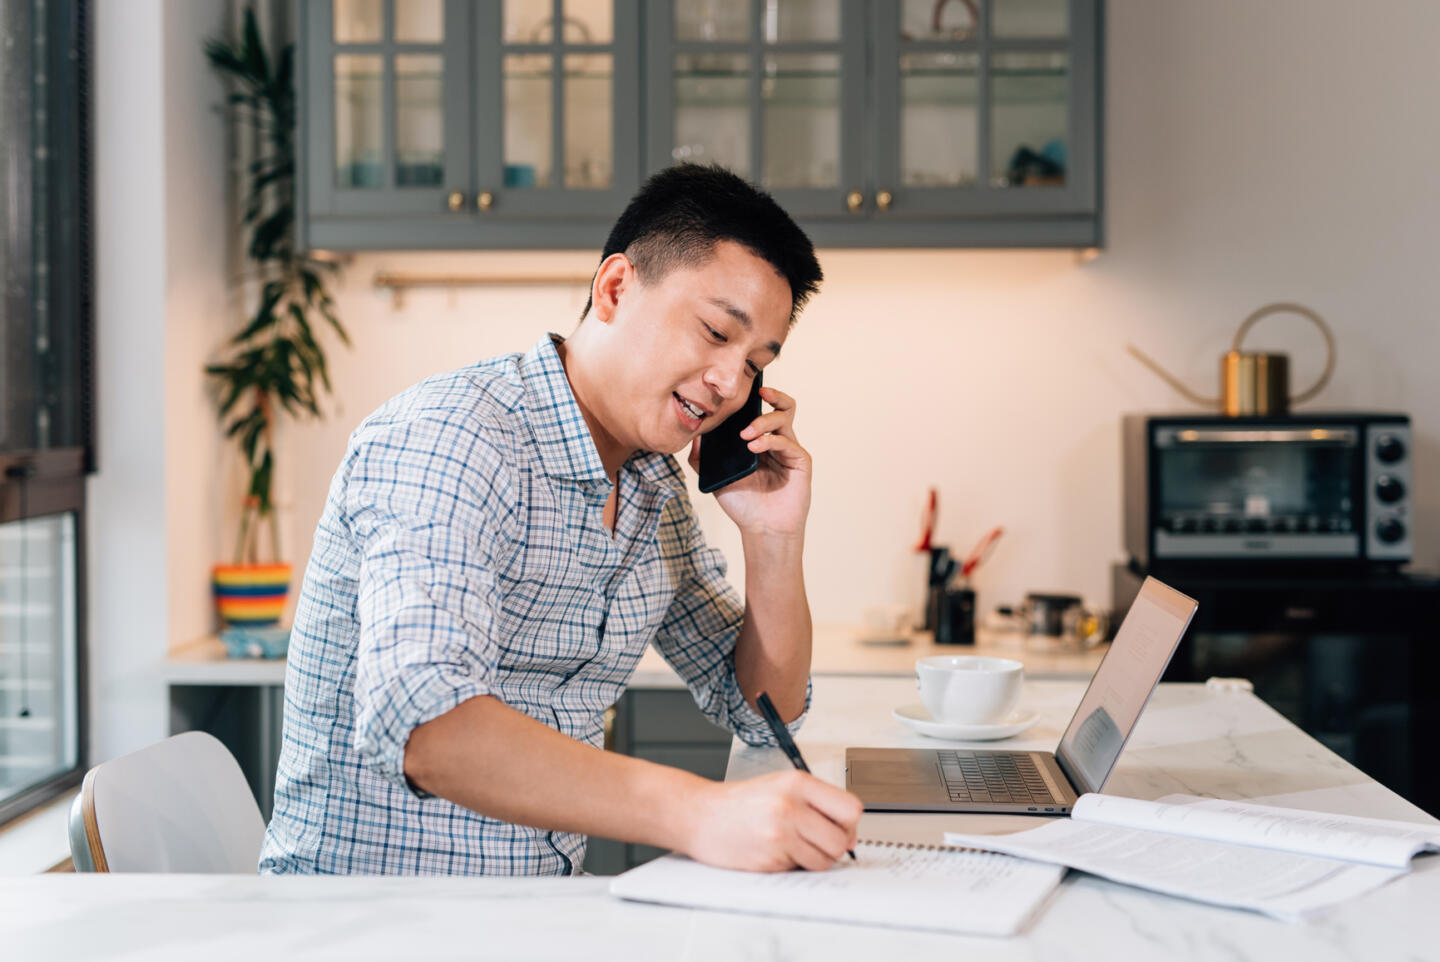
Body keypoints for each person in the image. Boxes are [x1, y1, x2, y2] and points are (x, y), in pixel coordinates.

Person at [259, 164, 862, 877]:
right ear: (614, 289)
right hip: (373, 923)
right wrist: (698, 813)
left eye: (755, 363)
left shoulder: (652, 489)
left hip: (537, 917)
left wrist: (773, 537)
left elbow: (762, 709)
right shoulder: (452, 437)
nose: (731, 384)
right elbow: (426, 725)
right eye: (713, 333)